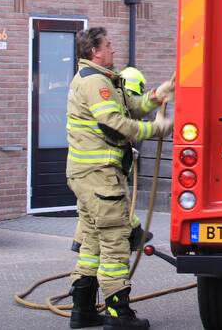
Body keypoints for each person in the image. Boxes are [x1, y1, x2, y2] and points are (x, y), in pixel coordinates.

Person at [67, 28, 175, 330]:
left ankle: (83, 310)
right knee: (115, 241)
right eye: (108, 45)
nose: (113, 49)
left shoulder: (102, 79)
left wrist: (159, 94)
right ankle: (118, 314)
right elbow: (114, 123)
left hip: (89, 176)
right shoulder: (95, 82)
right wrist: (156, 129)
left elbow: (132, 106)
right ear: (95, 52)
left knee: (92, 242)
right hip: (99, 176)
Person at [70, 66, 159, 255]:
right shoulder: (108, 95)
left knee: (92, 211)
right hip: (102, 168)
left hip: (92, 169)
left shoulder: (111, 93)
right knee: (110, 209)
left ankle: (83, 252)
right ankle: (134, 233)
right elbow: (116, 127)